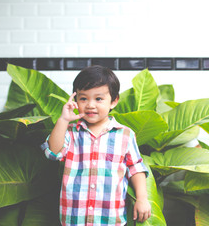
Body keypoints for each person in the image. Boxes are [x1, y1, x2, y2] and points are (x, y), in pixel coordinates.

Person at [41, 65, 151, 226]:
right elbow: (53, 153)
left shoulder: (125, 134)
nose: (90, 105)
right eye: (83, 98)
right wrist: (63, 120)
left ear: (113, 101)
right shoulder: (70, 132)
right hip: (74, 218)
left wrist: (142, 199)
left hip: (111, 218)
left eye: (98, 99)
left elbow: (135, 168)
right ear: (76, 99)